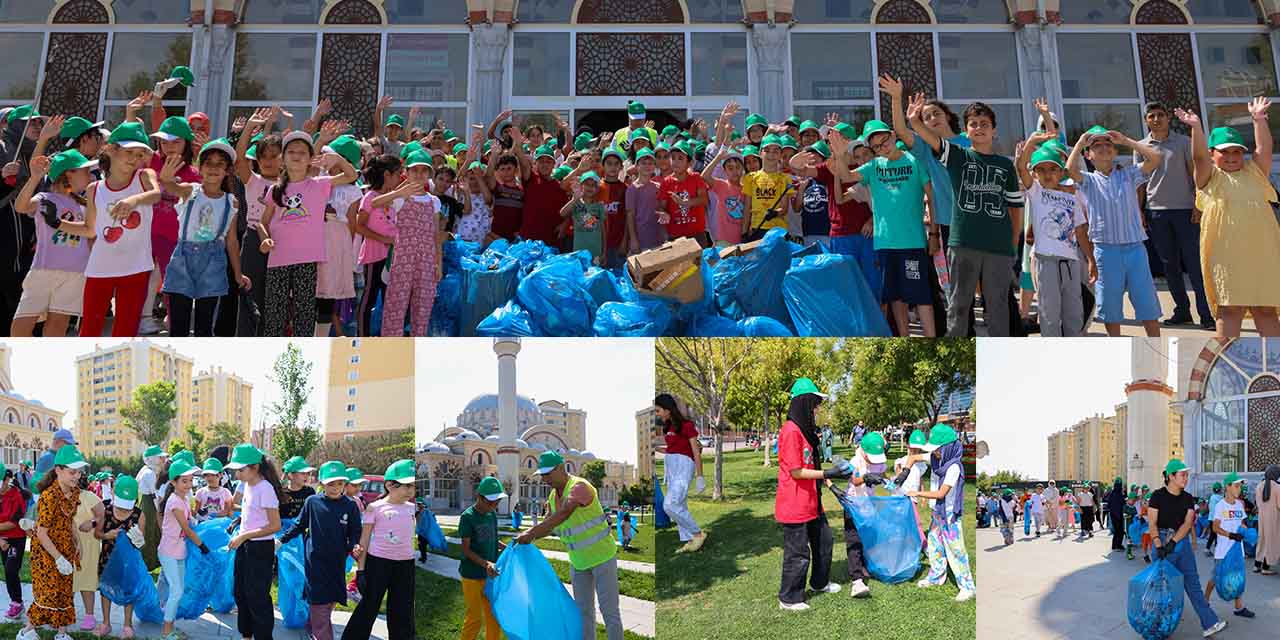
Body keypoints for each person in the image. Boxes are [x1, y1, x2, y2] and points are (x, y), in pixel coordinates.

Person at [908, 96, 1024, 337]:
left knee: (998, 308)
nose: (979, 128)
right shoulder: (957, 155)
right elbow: (931, 138)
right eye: (973, 123)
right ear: (966, 130)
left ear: (994, 130)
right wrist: (914, 121)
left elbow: (1015, 208)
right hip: (963, 246)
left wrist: (1013, 244)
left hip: (998, 248)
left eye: (984, 123)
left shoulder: (1005, 166)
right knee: (959, 307)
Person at [1174, 102, 1280, 337]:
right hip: (1225, 253)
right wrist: (1196, 128)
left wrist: (1259, 119)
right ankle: (1226, 367)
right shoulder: (1209, 177)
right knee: (1230, 309)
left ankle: (1275, 367)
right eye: (1224, 151)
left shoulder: (1255, 172)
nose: (1232, 157)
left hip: (1262, 252)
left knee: (1266, 309)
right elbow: (1199, 157)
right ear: (1213, 153)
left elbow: (1264, 148)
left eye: (1237, 151)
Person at [1065, 124, 1165, 337]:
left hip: (1135, 249)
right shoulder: (1089, 180)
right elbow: (1070, 170)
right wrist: (1081, 142)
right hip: (1106, 251)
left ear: (1115, 151)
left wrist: (1127, 141)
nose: (1103, 148)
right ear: (1089, 155)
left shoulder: (1129, 174)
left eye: (1108, 144)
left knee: (1147, 304)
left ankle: (1157, 354)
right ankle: (1116, 352)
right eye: (1096, 145)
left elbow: (1155, 158)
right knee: (1111, 308)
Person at [256, 130, 357, 336]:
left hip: (307, 260)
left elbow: (351, 175)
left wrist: (337, 158)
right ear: (282, 158)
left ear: (311, 159)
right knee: (275, 315)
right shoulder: (274, 190)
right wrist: (265, 238)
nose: (296, 155)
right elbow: (262, 222)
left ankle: (304, 360)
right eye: (291, 151)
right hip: (279, 259)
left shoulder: (319, 185)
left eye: (302, 152)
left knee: (305, 315)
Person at [515, 450, 624, 639]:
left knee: (609, 612)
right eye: (542, 474)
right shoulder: (552, 497)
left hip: (602, 557)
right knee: (583, 613)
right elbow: (548, 525)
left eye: (548, 473)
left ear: (560, 468)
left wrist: (531, 533)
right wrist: (526, 539)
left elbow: (564, 513)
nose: (544, 478)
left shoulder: (579, 486)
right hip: (579, 562)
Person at [1014, 103, 1096, 337]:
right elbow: (1021, 167)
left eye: (1053, 169)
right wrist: (1031, 143)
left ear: (1062, 172)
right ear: (1035, 174)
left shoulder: (1070, 197)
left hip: (1070, 262)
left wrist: (1090, 258)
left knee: (1073, 313)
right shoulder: (1036, 192)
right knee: (1050, 313)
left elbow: (1080, 230)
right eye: (1042, 170)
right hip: (1045, 261)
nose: (1048, 174)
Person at [78, 123, 165, 337]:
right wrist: (57, 223)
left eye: (139, 154)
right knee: (89, 329)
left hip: (135, 267)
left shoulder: (144, 176)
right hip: (100, 267)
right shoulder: (93, 189)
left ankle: (122, 370)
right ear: (111, 150)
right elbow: (90, 230)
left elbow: (156, 195)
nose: (134, 159)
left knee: (126, 330)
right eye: (129, 152)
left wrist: (133, 200)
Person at [156, 140, 250, 337]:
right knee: (179, 325)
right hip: (183, 259)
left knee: (204, 326)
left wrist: (238, 273)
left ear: (227, 171)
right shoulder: (191, 191)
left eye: (220, 164)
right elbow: (171, 186)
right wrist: (165, 178)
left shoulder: (230, 201)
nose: (214, 168)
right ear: (200, 167)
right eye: (208, 163)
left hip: (214, 262)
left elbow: (231, 241)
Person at [1138, 102, 1215, 330]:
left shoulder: (1183, 142)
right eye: (1151, 116)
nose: (1156, 119)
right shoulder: (1141, 146)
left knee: (1194, 264)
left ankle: (1206, 315)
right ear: (1146, 120)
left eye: (1161, 115)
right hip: (1156, 213)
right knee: (1169, 266)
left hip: (1185, 212)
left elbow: (1196, 174)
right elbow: (1140, 182)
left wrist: (1198, 205)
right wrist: (1139, 211)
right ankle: (1182, 311)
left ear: (1168, 118)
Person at [773, 378, 847, 611]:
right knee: (798, 552)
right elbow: (796, 471)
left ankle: (819, 582)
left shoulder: (806, 432)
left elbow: (810, 461)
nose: (816, 409)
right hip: (795, 503)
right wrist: (827, 471)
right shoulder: (791, 431)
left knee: (824, 541)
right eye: (814, 404)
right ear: (804, 403)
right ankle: (789, 597)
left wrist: (830, 477)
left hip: (812, 502)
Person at [9, 149, 96, 337]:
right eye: (85, 171)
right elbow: (20, 207)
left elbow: (91, 235)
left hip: (76, 273)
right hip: (43, 269)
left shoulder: (86, 204)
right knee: (21, 325)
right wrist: (34, 179)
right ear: (68, 173)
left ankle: (48, 363)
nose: (91, 176)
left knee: (58, 326)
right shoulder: (43, 199)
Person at [280, 460, 363, 640]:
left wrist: (354, 545)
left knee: (332, 597)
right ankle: (322, 633)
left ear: (345, 484)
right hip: (315, 560)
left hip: (337, 560)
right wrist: (282, 540)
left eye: (340, 484)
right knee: (319, 599)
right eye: (331, 484)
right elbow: (299, 524)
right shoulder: (312, 502)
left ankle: (312, 624)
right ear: (322, 483)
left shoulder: (350, 505)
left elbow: (355, 530)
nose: (335, 488)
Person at [17, 444, 89, 640]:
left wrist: (78, 543)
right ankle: (26, 632)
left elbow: (70, 520)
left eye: (79, 472)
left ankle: (62, 634)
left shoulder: (74, 493)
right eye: (72, 472)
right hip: (46, 552)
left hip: (65, 547)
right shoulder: (49, 497)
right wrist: (58, 558)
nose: (77, 476)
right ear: (58, 470)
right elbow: (41, 533)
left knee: (64, 592)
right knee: (48, 593)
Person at [1148, 459, 1226, 637]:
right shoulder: (1157, 496)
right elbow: (1152, 523)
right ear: (1171, 476)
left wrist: (1173, 542)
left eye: (1187, 475)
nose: (1186, 478)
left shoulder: (1188, 498)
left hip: (1181, 544)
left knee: (1193, 583)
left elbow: (1187, 522)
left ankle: (1210, 623)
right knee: (1162, 587)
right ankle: (1157, 627)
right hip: (1160, 539)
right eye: (1183, 475)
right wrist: (1159, 545)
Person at [343, 459, 416, 640]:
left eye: (413, 486)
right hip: (378, 564)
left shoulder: (412, 508)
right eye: (406, 486)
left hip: (405, 565)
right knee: (369, 606)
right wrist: (361, 571)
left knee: (402, 610)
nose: (411, 491)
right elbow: (365, 540)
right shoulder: (375, 507)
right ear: (390, 485)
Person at [906, 425, 975, 601]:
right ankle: (936, 577)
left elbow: (941, 494)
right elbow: (913, 457)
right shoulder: (936, 459)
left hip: (950, 515)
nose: (935, 453)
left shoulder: (953, 468)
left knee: (956, 549)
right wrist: (905, 471)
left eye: (938, 449)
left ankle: (967, 587)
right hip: (937, 513)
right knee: (934, 544)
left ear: (948, 448)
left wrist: (917, 493)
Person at [225, 444, 283, 640]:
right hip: (245, 545)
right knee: (240, 592)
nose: (237, 474)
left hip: (260, 548)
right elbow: (252, 515)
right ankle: (246, 635)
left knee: (257, 596)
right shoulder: (248, 485)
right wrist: (238, 526)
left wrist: (245, 536)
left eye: (241, 470)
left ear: (255, 467)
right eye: (236, 470)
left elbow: (275, 525)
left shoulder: (265, 488)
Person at [157, 458, 207, 640]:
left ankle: (169, 625)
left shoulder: (184, 499)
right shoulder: (175, 502)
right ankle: (166, 631)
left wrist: (200, 518)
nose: (188, 484)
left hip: (178, 551)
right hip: (168, 552)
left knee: (177, 590)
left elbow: (190, 522)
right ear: (173, 482)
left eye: (191, 480)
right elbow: (185, 528)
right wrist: (203, 546)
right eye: (184, 481)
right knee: (176, 591)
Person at [654, 393, 706, 553]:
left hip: (684, 467)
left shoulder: (687, 426)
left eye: (658, 410)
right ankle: (689, 540)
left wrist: (700, 476)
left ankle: (698, 533)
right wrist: (655, 448)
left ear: (667, 409)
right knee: (680, 504)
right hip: (672, 468)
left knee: (669, 504)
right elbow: (672, 449)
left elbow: (695, 451)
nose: (657, 414)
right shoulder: (667, 427)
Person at [93, 474, 144, 637]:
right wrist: (108, 536)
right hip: (108, 558)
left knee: (128, 590)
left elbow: (142, 540)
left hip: (128, 562)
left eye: (127, 505)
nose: (124, 509)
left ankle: (127, 625)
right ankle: (106, 623)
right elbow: (97, 533)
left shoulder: (139, 514)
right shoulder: (106, 510)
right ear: (114, 493)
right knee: (105, 589)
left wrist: (138, 539)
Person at [457, 476, 506, 640]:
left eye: (497, 502)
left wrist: (505, 548)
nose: (494, 506)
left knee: (494, 616)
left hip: (489, 575)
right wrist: (486, 563)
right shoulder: (468, 517)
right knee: (475, 619)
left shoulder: (491, 515)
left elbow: (492, 538)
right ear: (479, 497)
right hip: (471, 575)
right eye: (491, 502)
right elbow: (466, 549)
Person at [1202, 472, 1255, 619]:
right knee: (1215, 577)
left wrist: (1247, 531)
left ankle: (1239, 607)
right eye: (1237, 486)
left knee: (1238, 576)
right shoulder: (1220, 506)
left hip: (1238, 550)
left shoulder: (1239, 505)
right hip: (1223, 551)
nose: (1240, 489)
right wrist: (1231, 535)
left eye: (1240, 486)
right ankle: (1204, 602)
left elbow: (1242, 523)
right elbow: (1215, 527)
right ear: (1228, 487)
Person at [657, 140, 710, 245]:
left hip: (697, 236)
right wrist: (663, 214)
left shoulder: (696, 178)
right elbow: (661, 206)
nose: (675, 161)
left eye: (680, 158)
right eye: (673, 158)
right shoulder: (666, 183)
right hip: (675, 237)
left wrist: (684, 202)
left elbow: (704, 200)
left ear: (689, 162)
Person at [71, 472, 104, 633]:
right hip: (68, 545)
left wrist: (91, 522)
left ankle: (90, 615)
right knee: (67, 579)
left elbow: (103, 515)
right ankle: (66, 611)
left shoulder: (90, 497)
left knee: (86, 579)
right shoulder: (60, 497)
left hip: (88, 544)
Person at [559, 171, 607, 266]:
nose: (590, 187)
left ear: (597, 189)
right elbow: (562, 213)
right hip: (579, 252)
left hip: (595, 253)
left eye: (593, 185)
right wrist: (574, 199)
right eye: (587, 184)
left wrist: (604, 252)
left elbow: (603, 230)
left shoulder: (599, 206)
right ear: (581, 186)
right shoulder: (575, 203)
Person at [134, 445, 167, 572]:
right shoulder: (149, 473)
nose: (163, 460)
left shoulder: (145, 470)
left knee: (152, 534)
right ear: (152, 459)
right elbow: (154, 495)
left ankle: (153, 561)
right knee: (149, 534)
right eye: (160, 457)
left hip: (146, 504)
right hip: (148, 506)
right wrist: (159, 511)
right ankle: (149, 563)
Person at [0, 470, 27, 621]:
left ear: (7, 479)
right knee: (7, 570)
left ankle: (17, 603)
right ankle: (14, 601)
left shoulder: (17, 496)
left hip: (16, 539)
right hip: (1, 539)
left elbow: (13, 523)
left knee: (11, 569)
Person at [1255, 465, 1279, 575]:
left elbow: (1258, 504)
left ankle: (1257, 565)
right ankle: (1265, 567)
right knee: (1271, 542)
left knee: (1262, 540)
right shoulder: (1277, 488)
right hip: (1273, 519)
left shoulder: (1259, 486)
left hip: (1261, 518)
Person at [1104, 477, 1127, 552]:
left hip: (1113, 514)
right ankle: (1118, 545)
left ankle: (1115, 545)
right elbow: (1122, 502)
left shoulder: (1112, 493)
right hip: (1118, 515)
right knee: (1120, 531)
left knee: (1117, 531)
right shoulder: (1119, 494)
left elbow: (1109, 504)